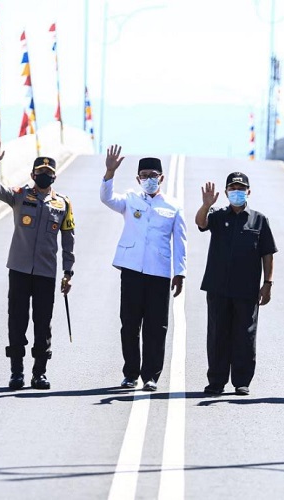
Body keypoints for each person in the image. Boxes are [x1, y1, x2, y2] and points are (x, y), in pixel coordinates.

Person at [0, 139, 75, 390]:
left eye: (48, 174)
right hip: (19, 269)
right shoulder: (20, 195)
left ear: (55, 177)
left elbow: (68, 239)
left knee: (42, 323)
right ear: (32, 174)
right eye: (40, 173)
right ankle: (16, 372)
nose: (44, 176)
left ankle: (39, 373)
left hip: (46, 273)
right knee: (17, 320)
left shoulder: (63, 204)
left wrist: (68, 271)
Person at [100, 145, 187, 392]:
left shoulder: (173, 206)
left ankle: (151, 376)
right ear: (138, 179)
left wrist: (180, 272)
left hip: (159, 272)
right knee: (129, 323)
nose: (149, 179)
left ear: (162, 178)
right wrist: (109, 172)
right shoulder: (130, 199)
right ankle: (130, 374)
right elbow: (107, 198)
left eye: (153, 175)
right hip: (131, 270)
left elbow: (180, 242)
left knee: (156, 326)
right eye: (144, 175)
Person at [196, 172, 277, 396]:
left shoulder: (259, 220)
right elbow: (201, 224)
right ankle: (216, 381)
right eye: (233, 188)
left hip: (247, 289)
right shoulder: (218, 215)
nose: (237, 192)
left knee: (245, 336)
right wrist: (205, 205)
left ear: (248, 192)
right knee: (217, 335)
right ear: (226, 192)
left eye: (241, 188)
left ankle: (241, 381)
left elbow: (268, 253)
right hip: (217, 287)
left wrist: (268, 283)